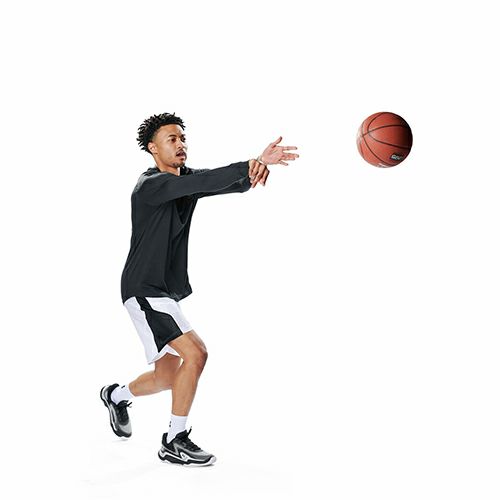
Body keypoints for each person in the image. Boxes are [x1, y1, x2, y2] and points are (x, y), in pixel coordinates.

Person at [100, 112, 299, 466]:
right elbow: (200, 183)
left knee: (167, 376)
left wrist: (252, 172)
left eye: (182, 138)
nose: (180, 144)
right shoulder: (150, 185)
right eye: (171, 139)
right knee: (196, 354)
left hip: (161, 291)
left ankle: (115, 396)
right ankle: (174, 440)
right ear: (153, 148)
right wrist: (252, 162)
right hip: (143, 288)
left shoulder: (184, 179)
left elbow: (212, 183)